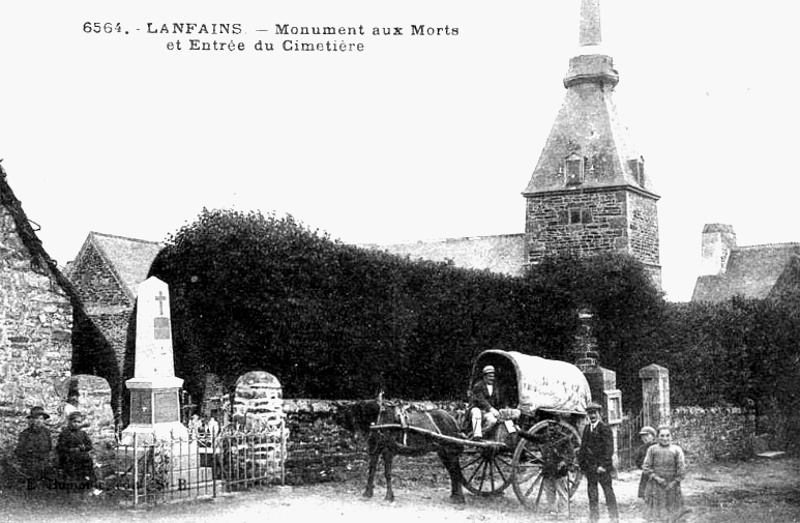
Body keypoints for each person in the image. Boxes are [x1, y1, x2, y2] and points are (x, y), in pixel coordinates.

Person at [578, 402, 619, 523]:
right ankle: (594, 518)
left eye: (594, 413)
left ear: (599, 414)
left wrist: (604, 465)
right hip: (590, 468)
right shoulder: (586, 429)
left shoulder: (604, 428)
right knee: (592, 493)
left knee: (608, 491)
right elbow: (583, 448)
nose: (592, 416)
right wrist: (582, 465)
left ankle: (614, 517)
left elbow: (609, 449)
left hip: (602, 468)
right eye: (590, 413)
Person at [643, 426, 687, 523]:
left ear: (671, 436)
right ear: (657, 437)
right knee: (656, 514)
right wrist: (657, 478)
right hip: (655, 486)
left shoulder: (676, 450)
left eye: (667, 435)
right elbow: (646, 467)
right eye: (662, 436)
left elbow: (682, 468)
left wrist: (674, 482)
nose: (665, 438)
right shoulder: (652, 449)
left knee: (674, 514)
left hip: (673, 487)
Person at [15, 406, 53, 490]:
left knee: (50, 479)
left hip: (44, 462)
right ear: (31, 420)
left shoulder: (46, 432)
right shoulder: (25, 434)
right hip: (30, 463)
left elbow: (49, 448)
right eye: (36, 418)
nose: (39, 421)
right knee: (32, 481)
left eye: (41, 418)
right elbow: (19, 451)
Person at [56, 411, 95, 489]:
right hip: (69, 458)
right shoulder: (64, 434)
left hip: (82, 458)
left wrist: (84, 447)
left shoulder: (83, 434)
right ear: (70, 422)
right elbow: (60, 447)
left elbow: (89, 446)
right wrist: (71, 449)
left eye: (79, 422)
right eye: (74, 421)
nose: (76, 424)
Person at [468, 365, 501, 440]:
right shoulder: (478, 386)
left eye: (493, 376)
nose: (492, 378)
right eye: (490, 376)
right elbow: (481, 400)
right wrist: (491, 409)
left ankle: (480, 435)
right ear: (484, 376)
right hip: (477, 408)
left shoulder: (495, 387)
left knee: (492, 420)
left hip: (486, 412)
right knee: (476, 413)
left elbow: (497, 401)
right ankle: (477, 435)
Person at [634, 426, 657, 500]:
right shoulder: (641, 449)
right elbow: (637, 461)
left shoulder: (658, 447)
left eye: (647, 435)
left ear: (653, 436)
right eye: (642, 436)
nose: (644, 438)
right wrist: (643, 466)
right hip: (647, 472)